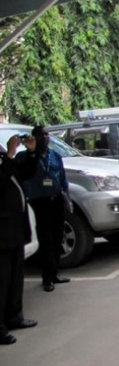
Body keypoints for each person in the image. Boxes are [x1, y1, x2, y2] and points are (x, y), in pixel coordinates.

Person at [16, 126, 71, 293]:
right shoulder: (24, 157)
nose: (45, 137)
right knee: (45, 240)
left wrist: (67, 199)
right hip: (39, 202)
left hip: (56, 200)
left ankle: (54, 274)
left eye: (47, 134)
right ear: (34, 138)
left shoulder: (55, 156)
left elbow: (62, 179)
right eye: (41, 135)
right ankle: (47, 278)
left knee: (56, 238)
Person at [0, 135, 39, 344]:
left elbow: (25, 174)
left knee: (16, 278)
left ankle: (14, 317)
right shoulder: (4, 161)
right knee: (2, 281)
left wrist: (32, 153)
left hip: (14, 229)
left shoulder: (5, 161)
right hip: (2, 233)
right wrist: (9, 155)